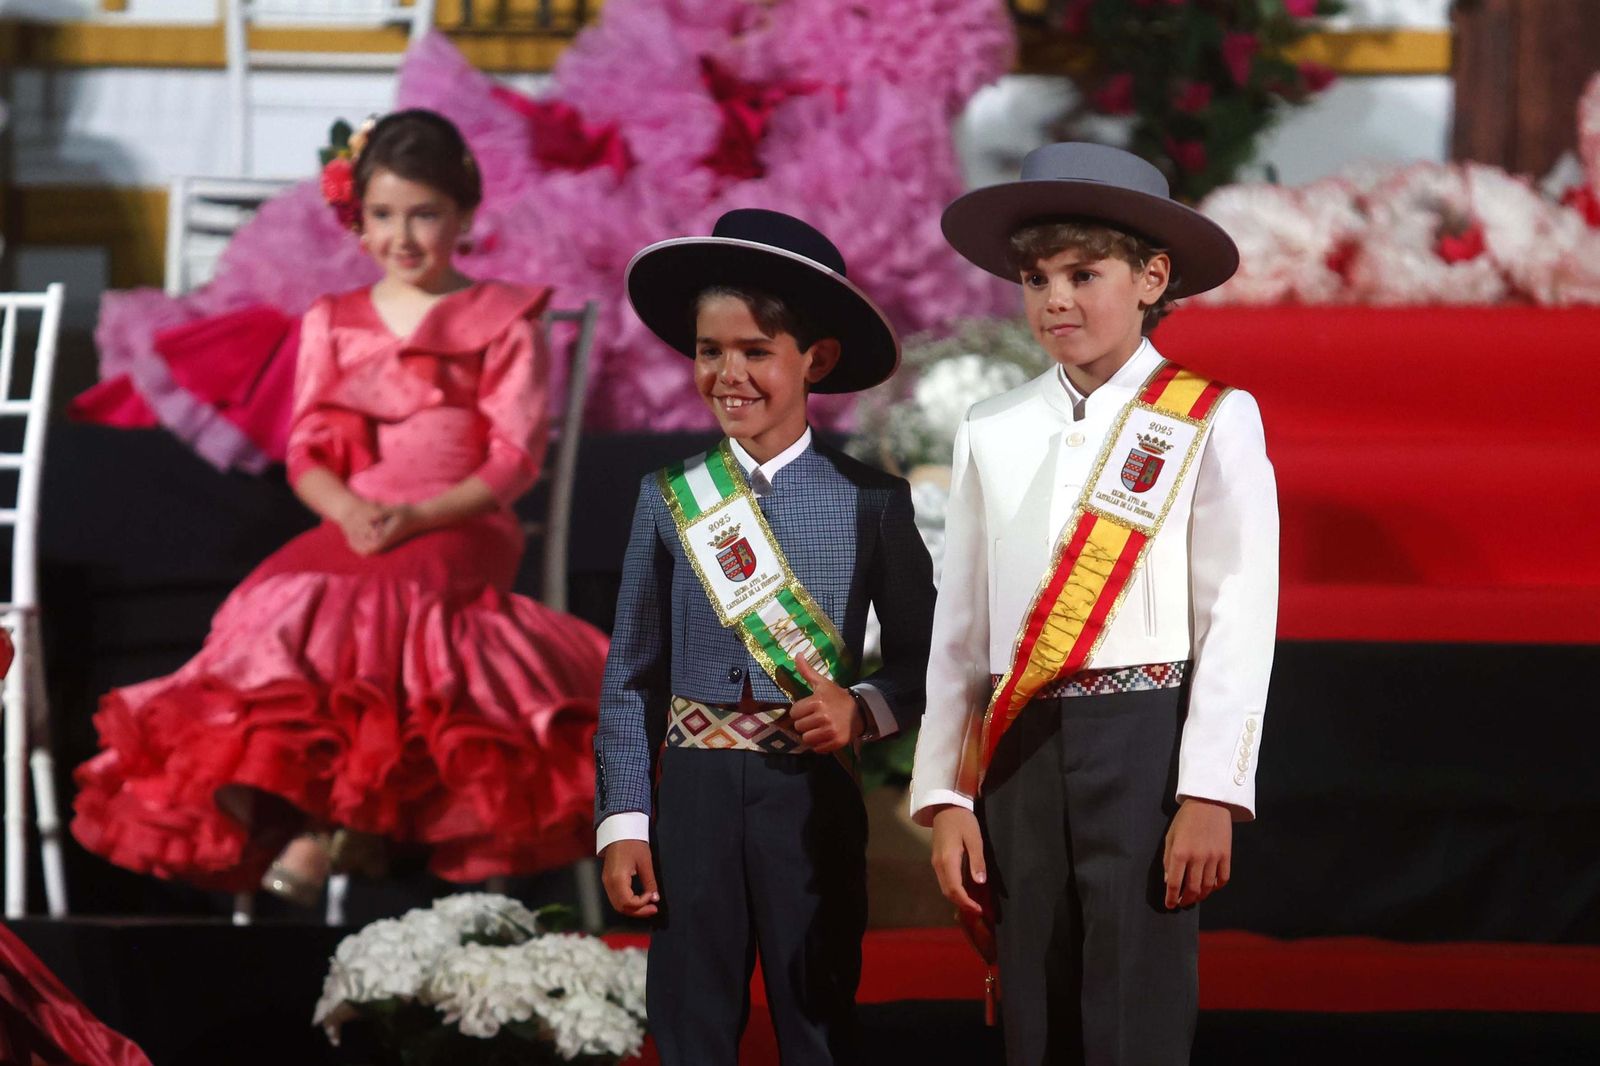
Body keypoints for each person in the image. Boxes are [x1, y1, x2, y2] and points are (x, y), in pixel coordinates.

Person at [72, 109, 609, 901]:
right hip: (359, 518)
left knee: (392, 596)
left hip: (457, 520)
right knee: (278, 602)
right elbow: (307, 451)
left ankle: (340, 831)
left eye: (425, 214)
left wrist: (420, 517)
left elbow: (514, 457)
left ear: (463, 215)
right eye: (384, 215)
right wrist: (350, 509)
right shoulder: (334, 320)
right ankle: (329, 823)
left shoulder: (504, 318)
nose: (403, 236)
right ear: (358, 219)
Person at [910, 143, 1279, 1065]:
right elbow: (959, 628)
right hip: (1021, 742)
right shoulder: (990, 427)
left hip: (1145, 743)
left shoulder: (1211, 415)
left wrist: (1211, 790)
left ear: (1153, 277)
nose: (1056, 300)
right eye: (1037, 278)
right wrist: (948, 793)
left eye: (1085, 273)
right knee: (1032, 993)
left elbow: (1239, 607)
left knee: (1135, 998)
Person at [595, 209, 936, 1065]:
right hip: (695, 801)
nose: (728, 373)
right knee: (688, 1024)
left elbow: (927, 661)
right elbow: (629, 678)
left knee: (818, 1022)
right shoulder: (667, 496)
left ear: (816, 360)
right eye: (710, 350)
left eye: (755, 351)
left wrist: (863, 709)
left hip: (810, 802)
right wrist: (625, 819)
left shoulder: (872, 502)